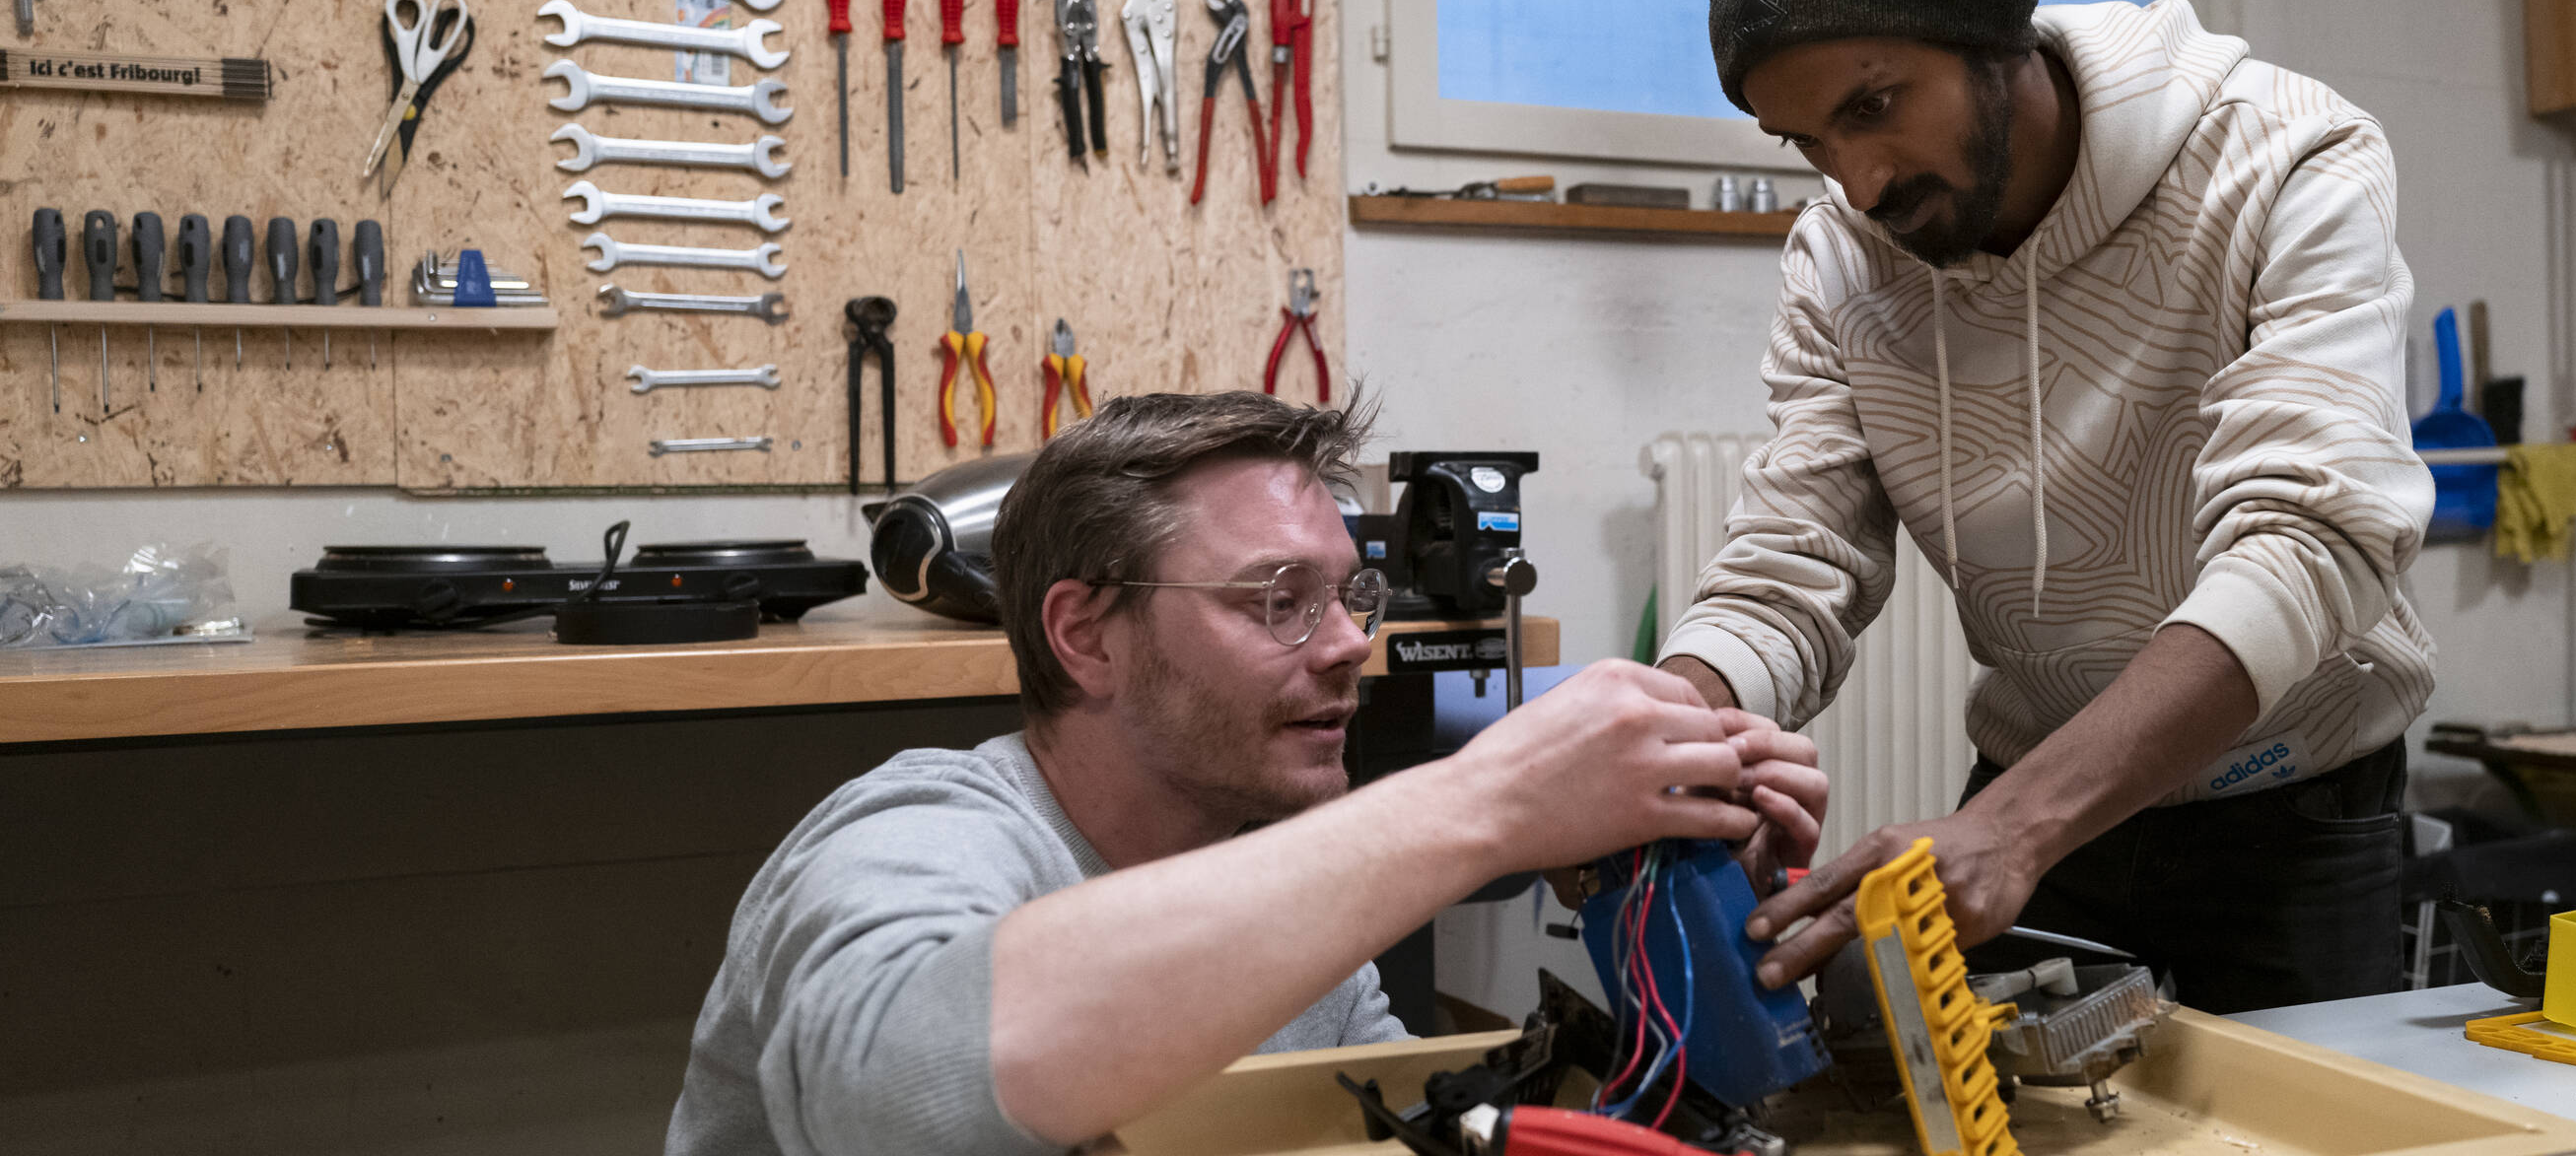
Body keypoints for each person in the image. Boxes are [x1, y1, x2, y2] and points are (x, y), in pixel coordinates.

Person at [1655, 0, 2436, 1014]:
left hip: (2292, 803)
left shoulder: (2281, 157)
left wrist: (2016, 824)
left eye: (1871, 105)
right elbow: (1792, 559)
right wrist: (1662, 726)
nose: (1854, 183)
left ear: (1993, 33)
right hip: (2031, 790)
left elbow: (2311, 538)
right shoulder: (1838, 255)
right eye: (1805, 142)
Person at [666, 392, 1829, 1154]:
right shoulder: (914, 829)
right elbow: (892, 1100)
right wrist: (1489, 803)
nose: (1345, 645)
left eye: (1349, 594)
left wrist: (1651, 920)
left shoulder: (1261, 868)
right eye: (1277, 599)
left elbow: (1373, 1119)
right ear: (1085, 634)